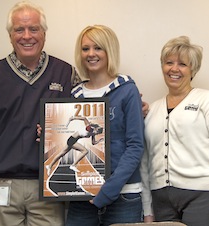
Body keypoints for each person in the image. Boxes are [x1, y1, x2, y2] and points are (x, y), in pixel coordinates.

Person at [0, 1, 81, 226]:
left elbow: (90, 113)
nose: (27, 36)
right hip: (1, 185)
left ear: (44, 33)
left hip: (49, 186)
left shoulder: (66, 74)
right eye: (19, 30)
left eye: (33, 29)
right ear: (10, 36)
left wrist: (131, 107)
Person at [141, 36, 209, 226]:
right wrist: (147, 209)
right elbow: (145, 163)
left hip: (203, 198)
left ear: (193, 69)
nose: (174, 69)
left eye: (183, 64)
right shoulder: (152, 110)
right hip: (161, 201)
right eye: (169, 62)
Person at [64, 25, 145, 226]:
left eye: (98, 48)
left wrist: (108, 190)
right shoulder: (74, 96)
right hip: (82, 198)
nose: (91, 54)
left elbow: (135, 146)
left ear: (110, 51)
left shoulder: (127, 91)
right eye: (85, 49)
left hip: (123, 197)